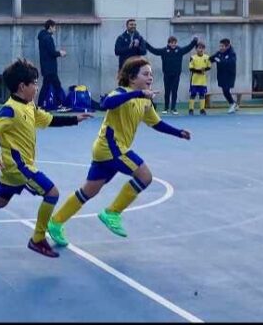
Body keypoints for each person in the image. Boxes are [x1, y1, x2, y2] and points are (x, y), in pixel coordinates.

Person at [47, 56, 191, 247]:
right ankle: (112, 213)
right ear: (132, 78)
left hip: (107, 150)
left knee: (89, 190)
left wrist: (178, 133)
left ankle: (56, 222)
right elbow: (106, 103)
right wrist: (136, 95)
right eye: (145, 74)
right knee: (145, 176)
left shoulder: (145, 100)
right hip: (111, 148)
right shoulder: (122, 92)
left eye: (151, 74)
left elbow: (156, 123)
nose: (150, 77)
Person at [0, 59, 92, 258]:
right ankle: (37, 238)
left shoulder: (29, 106)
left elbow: (48, 119)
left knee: (0, 200)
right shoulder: (10, 109)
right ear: (22, 86)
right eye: (34, 83)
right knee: (52, 193)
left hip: (15, 169)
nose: (37, 87)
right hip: (18, 167)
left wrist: (74, 119)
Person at [144, 35, 198, 114]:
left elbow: (188, 48)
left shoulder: (179, 50)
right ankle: (166, 108)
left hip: (176, 74)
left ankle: (173, 108)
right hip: (167, 74)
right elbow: (154, 50)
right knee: (167, 91)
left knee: (174, 91)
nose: (173, 44)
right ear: (168, 43)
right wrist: (145, 44)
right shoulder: (164, 51)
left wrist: (194, 41)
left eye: (175, 43)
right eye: (171, 43)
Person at [37, 19, 68, 111]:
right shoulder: (48, 38)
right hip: (50, 68)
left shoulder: (42, 37)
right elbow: (51, 52)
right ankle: (60, 105)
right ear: (50, 27)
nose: (55, 29)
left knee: (47, 86)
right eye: (54, 27)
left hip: (46, 67)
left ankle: (40, 106)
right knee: (56, 86)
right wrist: (60, 53)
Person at [210, 38, 238, 114]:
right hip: (221, 74)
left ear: (228, 46)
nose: (221, 48)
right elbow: (211, 59)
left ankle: (233, 104)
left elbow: (231, 63)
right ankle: (234, 104)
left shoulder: (232, 54)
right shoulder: (219, 53)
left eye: (222, 46)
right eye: (220, 46)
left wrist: (220, 60)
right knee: (224, 91)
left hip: (229, 75)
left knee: (226, 90)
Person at [188, 41, 212, 116]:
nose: (201, 49)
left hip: (203, 81)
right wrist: (199, 71)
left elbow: (209, 67)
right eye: (199, 48)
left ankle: (202, 109)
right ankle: (191, 109)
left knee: (202, 95)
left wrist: (204, 69)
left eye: (202, 48)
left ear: (204, 49)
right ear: (196, 49)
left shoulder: (207, 57)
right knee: (193, 95)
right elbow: (191, 68)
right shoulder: (192, 57)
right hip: (194, 80)